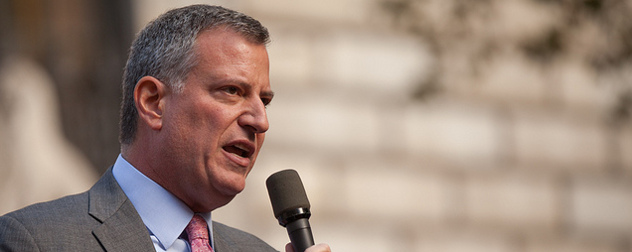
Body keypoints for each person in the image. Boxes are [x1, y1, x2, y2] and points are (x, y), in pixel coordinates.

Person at [0, 5, 331, 252]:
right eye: (232, 91)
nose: (260, 121)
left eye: (265, 101)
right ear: (153, 102)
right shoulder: (36, 240)